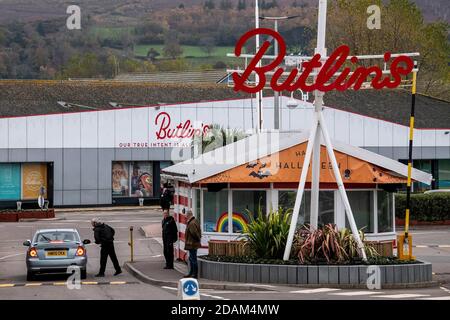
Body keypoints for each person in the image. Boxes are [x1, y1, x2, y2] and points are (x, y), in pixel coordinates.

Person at [184, 210, 201, 279]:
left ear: (188, 215)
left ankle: (194, 274)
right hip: (193, 244)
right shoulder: (194, 221)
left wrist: (197, 239)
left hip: (192, 244)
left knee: (193, 259)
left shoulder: (191, 223)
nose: (185, 216)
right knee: (191, 259)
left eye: (186, 215)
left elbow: (194, 233)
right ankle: (191, 273)